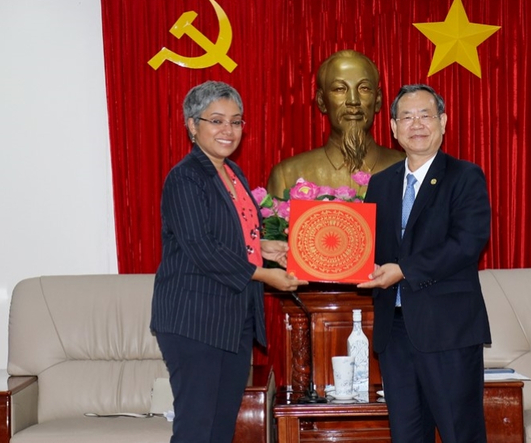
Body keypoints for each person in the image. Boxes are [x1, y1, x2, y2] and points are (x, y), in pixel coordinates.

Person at [150, 81, 308, 443]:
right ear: (192, 125)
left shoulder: (232, 173)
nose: (228, 131)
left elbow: (232, 235)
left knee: (221, 429)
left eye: (236, 122)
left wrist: (266, 246)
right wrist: (266, 275)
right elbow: (201, 246)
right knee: (196, 428)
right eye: (216, 121)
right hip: (194, 320)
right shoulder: (186, 177)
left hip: (234, 319)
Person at [358, 84, 492, 443]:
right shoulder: (381, 184)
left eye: (425, 115)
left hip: (448, 330)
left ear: (443, 122)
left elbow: (466, 243)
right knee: (406, 434)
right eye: (406, 116)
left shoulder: (464, 177)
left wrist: (403, 269)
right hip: (395, 330)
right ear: (392, 127)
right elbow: (366, 248)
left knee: (459, 432)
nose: (416, 124)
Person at [266, 50, 404, 198]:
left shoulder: (408, 170)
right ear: (321, 101)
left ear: (377, 101)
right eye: (340, 89)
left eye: (364, 88)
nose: (353, 100)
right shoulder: (287, 176)